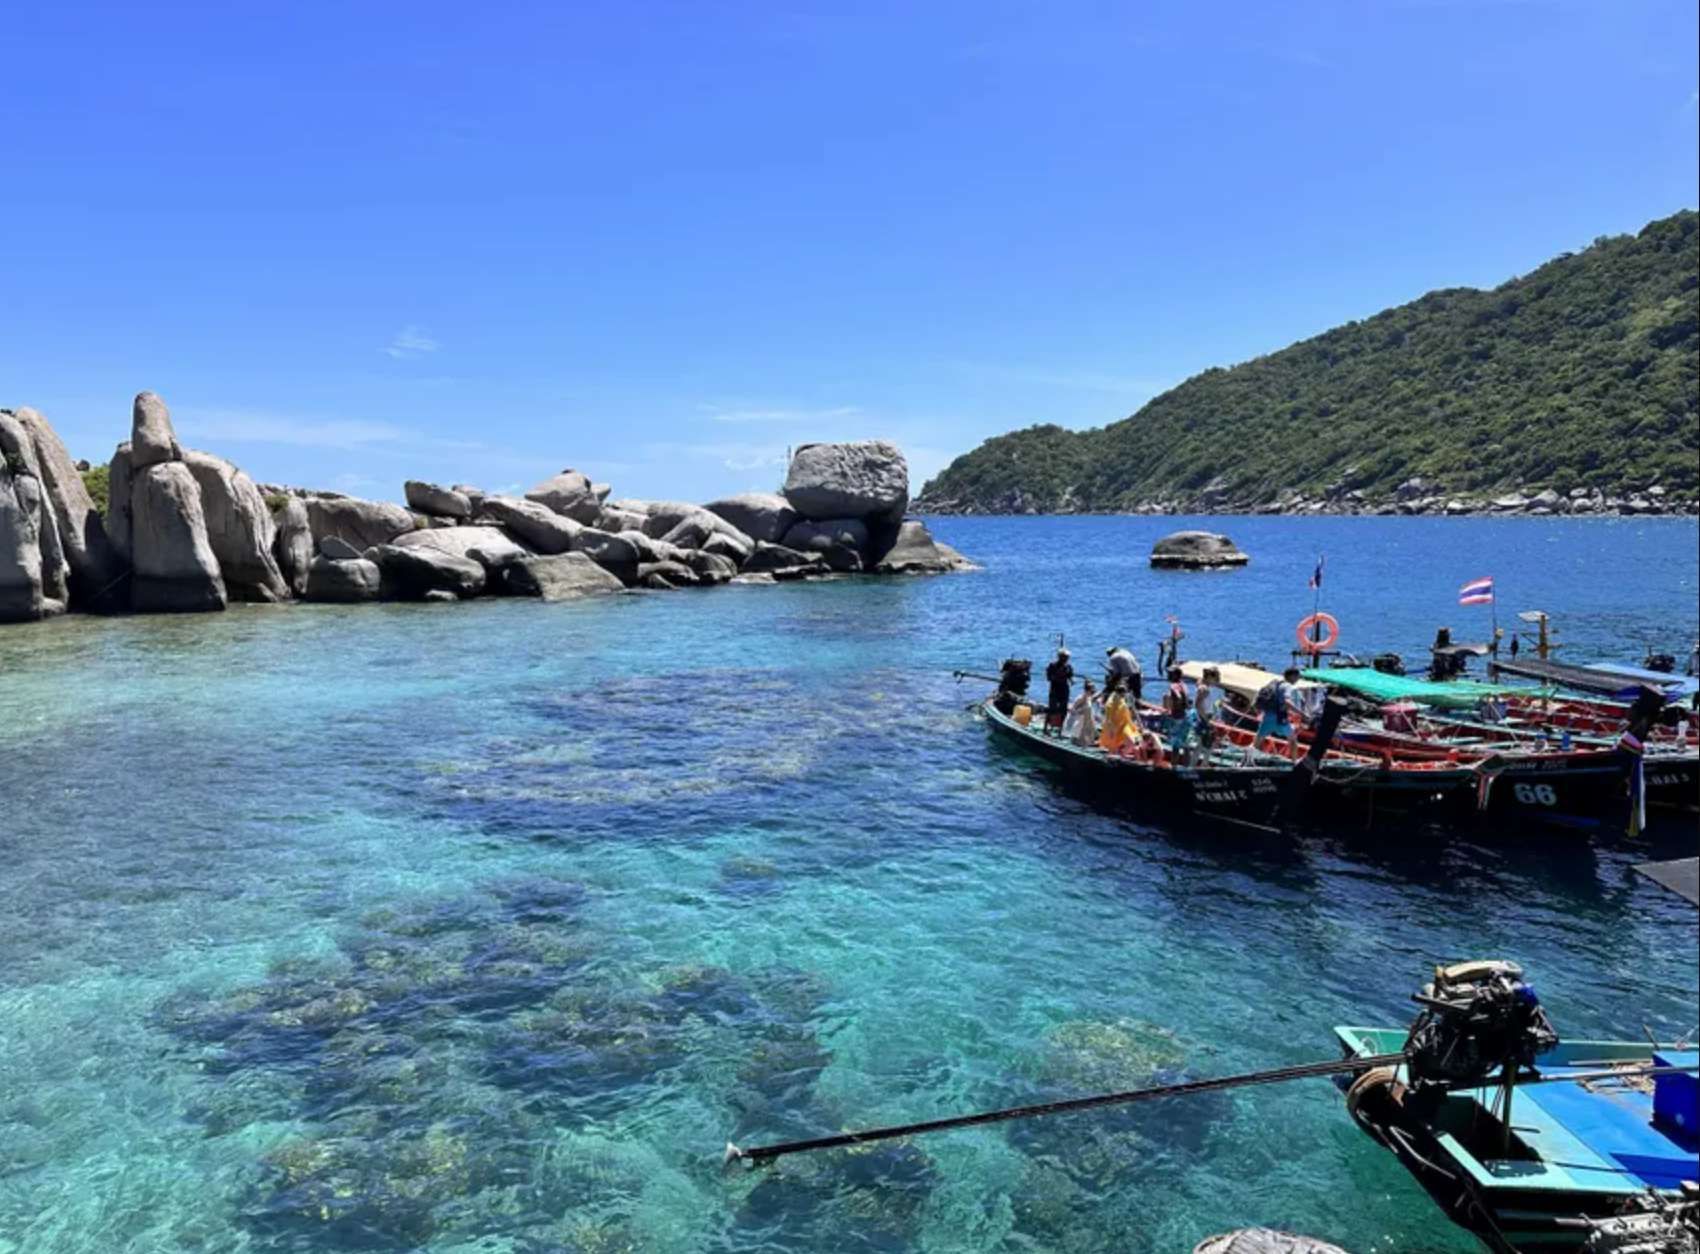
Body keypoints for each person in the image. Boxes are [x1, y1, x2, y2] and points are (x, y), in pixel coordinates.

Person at [1249, 666, 1305, 762]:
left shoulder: (1274, 683)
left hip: (1267, 717)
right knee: (1293, 740)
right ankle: (1294, 762)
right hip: (1280, 719)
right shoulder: (1288, 686)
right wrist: (1303, 714)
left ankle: (1250, 760)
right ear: (1292, 676)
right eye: (1297, 676)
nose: (1298, 679)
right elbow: (1287, 702)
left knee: (1257, 742)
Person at [1160, 665, 1193, 762]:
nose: (1168, 675)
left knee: (1176, 746)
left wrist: (1171, 708)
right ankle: (1187, 768)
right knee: (1186, 745)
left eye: (1170, 673)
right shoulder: (1183, 684)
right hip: (1186, 716)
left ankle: (1174, 768)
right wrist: (1184, 705)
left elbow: (1177, 696)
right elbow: (1187, 700)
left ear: (1174, 675)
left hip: (1177, 717)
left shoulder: (1173, 685)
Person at [1098, 687, 1139, 755]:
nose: (1125, 695)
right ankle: (1119, 755)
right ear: (1121, 693)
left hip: (1125, 725)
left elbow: (1127, 712)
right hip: (1115, 728)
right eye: (1124, 693)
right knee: (1114, 747)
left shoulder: (1121, 699)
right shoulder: (1110, 704)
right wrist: (1111, 730)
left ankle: (1121, 754)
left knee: (1132, 742)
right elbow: (1109, 719)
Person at [1194, 665, 1224, 753]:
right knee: (1203, 745)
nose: (1216, 681)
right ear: (1210, 677)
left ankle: (1203, 763)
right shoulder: (1204, 689)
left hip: (1207, 716)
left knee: (1206, 745)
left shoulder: (1204, 686)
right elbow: (1197, 705)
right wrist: (1207, 720)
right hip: (1205, 717)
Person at [1044, 648, 1074, 733]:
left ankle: (1060, 729)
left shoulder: (1068, 667)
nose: (1066, 659)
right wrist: (1057, 675)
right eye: (1064, 657)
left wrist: (1071, 680)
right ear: (1060, 657)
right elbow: (1048, 678)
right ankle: (1046, 728)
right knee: (1052, 709)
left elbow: (1070, 676)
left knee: (1063, 710)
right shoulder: (1052, 665)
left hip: (1064, 689)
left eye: (1067, 657)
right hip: (1055, 689)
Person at [1063, 680, 1100, 746]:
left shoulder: (1089, 698)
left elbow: (1090, 706)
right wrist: (1080, 711)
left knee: (1089, 731)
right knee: (1080, 732)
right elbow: (1072, 709)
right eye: (1092, 690)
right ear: (1088, 690)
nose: (1093, 691)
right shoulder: (1081, 698)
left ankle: (1089, 742)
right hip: (1081, 719)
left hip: (1088, 719)